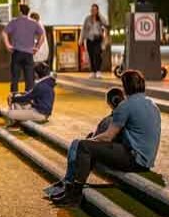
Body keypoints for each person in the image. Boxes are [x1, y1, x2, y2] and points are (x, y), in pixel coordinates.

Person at [51, 70, 161, 208]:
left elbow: (109, 136)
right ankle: (71, 189)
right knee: (90, 144)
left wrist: (88, 141)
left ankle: (74, 194)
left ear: (126, 86)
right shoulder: (152, 104)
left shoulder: (126, 106)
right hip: (147, 159)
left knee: (85, 146)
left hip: (134, 159)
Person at [45, 88, 125, 199]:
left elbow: (103, 138)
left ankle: (68, 182)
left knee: (77, 144)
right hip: (111, 148)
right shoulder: (121, 116)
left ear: (109, 103)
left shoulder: (111, 119)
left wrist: (90, 139)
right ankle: (67, 181)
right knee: (78, 143)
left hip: (106, 151)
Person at [3, 4, 45, 93]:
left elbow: (4, 33)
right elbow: (42, 35)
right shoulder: (34, 23)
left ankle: (14, 99)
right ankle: (28, 98)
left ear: (20, 11)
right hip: (29, 54)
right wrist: (37, 47)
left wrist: (8, 45)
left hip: (17, 53)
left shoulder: (14, 22)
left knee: (15, 78)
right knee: (29, 79)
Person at [79, 4, 109, 79]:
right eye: (92, 10)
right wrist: (81, 39)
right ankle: (93, 71)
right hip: (90, 39)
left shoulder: (100, 19)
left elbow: (106, 23)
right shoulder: (87, 19)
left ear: (97, 10)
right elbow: (84, 29)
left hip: (98, 39)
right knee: (91, 55)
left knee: (97, 55)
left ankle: (98, 71)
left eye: (95, 10)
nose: (93, 11)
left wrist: (100, 16)